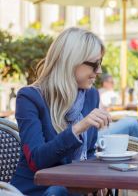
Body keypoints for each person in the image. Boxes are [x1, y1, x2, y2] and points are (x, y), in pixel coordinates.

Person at [11, 27, 112, 196]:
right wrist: (78, 129)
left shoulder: (91, 95)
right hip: (36, 190)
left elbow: (89, 152)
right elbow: (37, 160)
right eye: (94, 64)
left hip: (73, 187)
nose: (99, 71)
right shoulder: (29, 98)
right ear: (71, 61)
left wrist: (99, 177)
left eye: (100, 63)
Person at [97, 73, 138, 139]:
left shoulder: (108, 92)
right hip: (103, 128)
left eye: (113, 82)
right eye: (111, 82)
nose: (113, 84)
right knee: (133, 122)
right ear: (104, 83)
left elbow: (120, 104)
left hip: (104, 125)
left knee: (131, 122)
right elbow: (112, 107)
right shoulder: (103, 93)